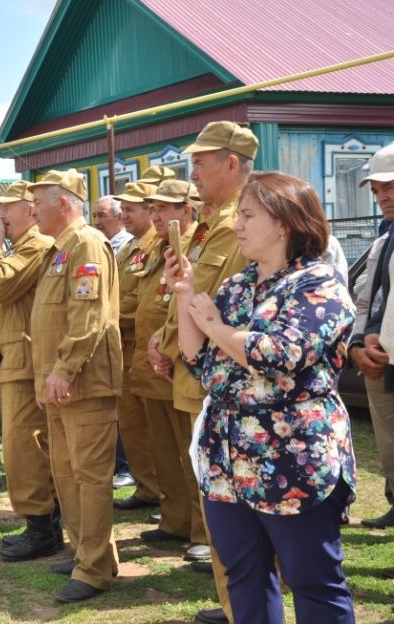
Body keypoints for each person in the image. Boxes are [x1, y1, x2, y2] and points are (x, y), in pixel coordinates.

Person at [168, 172, 357, 624]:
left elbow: (279, 356)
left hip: (293, 455)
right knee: (244, 576)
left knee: (312, 579)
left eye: (248, 215)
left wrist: (215, 326)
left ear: (285, 223)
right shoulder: (237, 285)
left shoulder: (319, 284)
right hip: (228, 457)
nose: (237, 225)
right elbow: (202, 362)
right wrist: (185, 297)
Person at [149, 121, 259, 624]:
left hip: (224, 380)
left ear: (231, 163)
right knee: (218, 498)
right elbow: (190, 293)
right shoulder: (210, 224)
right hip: (199, 373)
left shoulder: (246, 221)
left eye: (200, 162)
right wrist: (165, 337)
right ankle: (234, 598)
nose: (192, 172)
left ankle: (247, 603)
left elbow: (230, 307)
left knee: (234, 500)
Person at [29, 169, 122, 604]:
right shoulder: (59, 248)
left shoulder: (85, 243)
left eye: (37, 203)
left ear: (63, 202)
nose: (31, 211)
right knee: (66, 474)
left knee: (89, 477)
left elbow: (89, 315)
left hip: (82, 383)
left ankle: (94, 569)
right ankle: (89, 552)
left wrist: (64, 369)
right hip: (59, 385)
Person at [0, 180, 63, 562]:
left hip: (27, 360)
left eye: (8, 208)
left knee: (24, 445)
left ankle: (42, 526)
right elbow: (1, 304)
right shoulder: (21, 245)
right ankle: (40, 521)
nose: (1, 216)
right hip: (13, 355)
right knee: (21, 444)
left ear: (30, 210)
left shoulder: (36, 245)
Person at [132, 181, 204, 549]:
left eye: (166, 208)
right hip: (152, 369)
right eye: (154, 208)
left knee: (190, 453)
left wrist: (168, 346)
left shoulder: (192, 246)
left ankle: (202, 531)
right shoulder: (156, 248)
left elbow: (186, 306)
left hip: (177, 364)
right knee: (165, 454)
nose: (156, 215)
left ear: (187, 211)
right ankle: (176, 520)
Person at [349, 142, 394, 530]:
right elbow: (366, 298)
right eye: (377, 189)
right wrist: (356, 343)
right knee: (389, 452)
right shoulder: (383, 238)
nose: (383, 197)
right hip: (380, 365)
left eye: (390, 186)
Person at [111, 181, 162, 511]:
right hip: (125, 346)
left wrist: (108, 316)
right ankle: (147, 488)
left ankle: (162, 492)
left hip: (143, 346)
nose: (123, 215)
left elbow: (140, 301)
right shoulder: (130, 246)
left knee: (153, 429)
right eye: (123, 210)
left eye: (130, 210)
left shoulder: (157, 244)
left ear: (150, 211)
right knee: (132, 427)